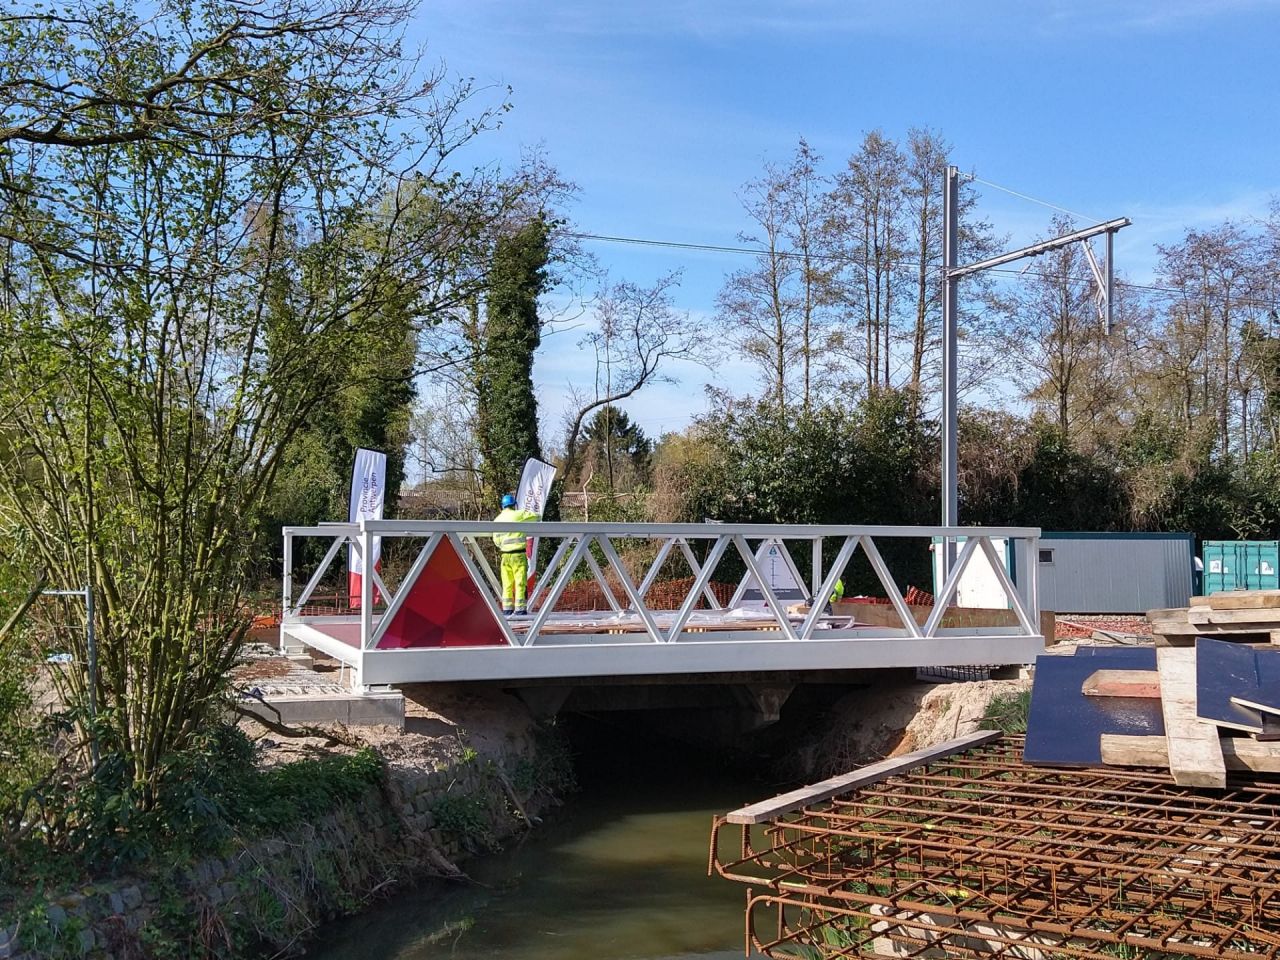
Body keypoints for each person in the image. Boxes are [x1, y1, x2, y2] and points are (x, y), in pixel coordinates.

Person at [492, 493, 539, 616]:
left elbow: (496, 541)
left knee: (507, 583)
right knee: (520, 582)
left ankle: (507, 610)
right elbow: (536, 517)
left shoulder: (497, 520)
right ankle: (520, 610)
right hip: (518, 555)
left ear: (502, 506)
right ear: (514, 505)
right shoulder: (518, 515)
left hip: (505, 556)